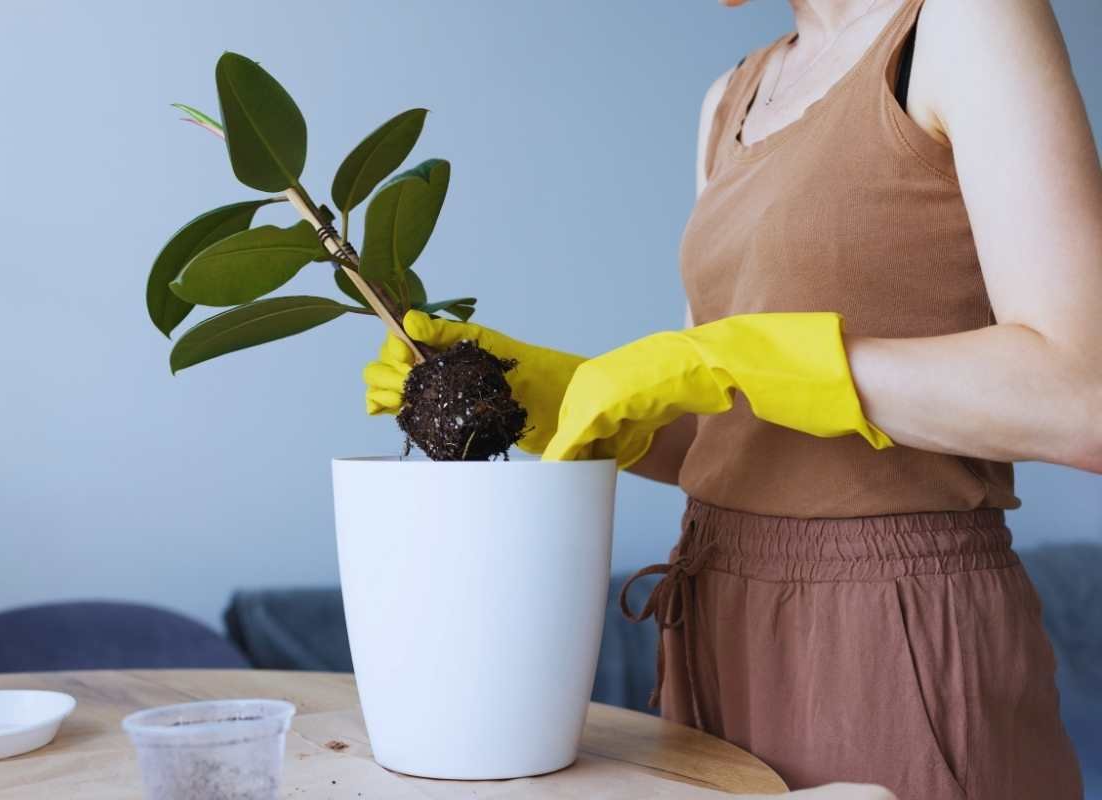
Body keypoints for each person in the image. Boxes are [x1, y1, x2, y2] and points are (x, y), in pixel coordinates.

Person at [364, 0, 1099, 796]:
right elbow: (725, 428)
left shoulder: (964, 24)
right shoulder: (732, 99)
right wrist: (540, 393)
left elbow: (1080, 397)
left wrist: (740, 356)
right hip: (712, 615)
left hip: (889, 625)